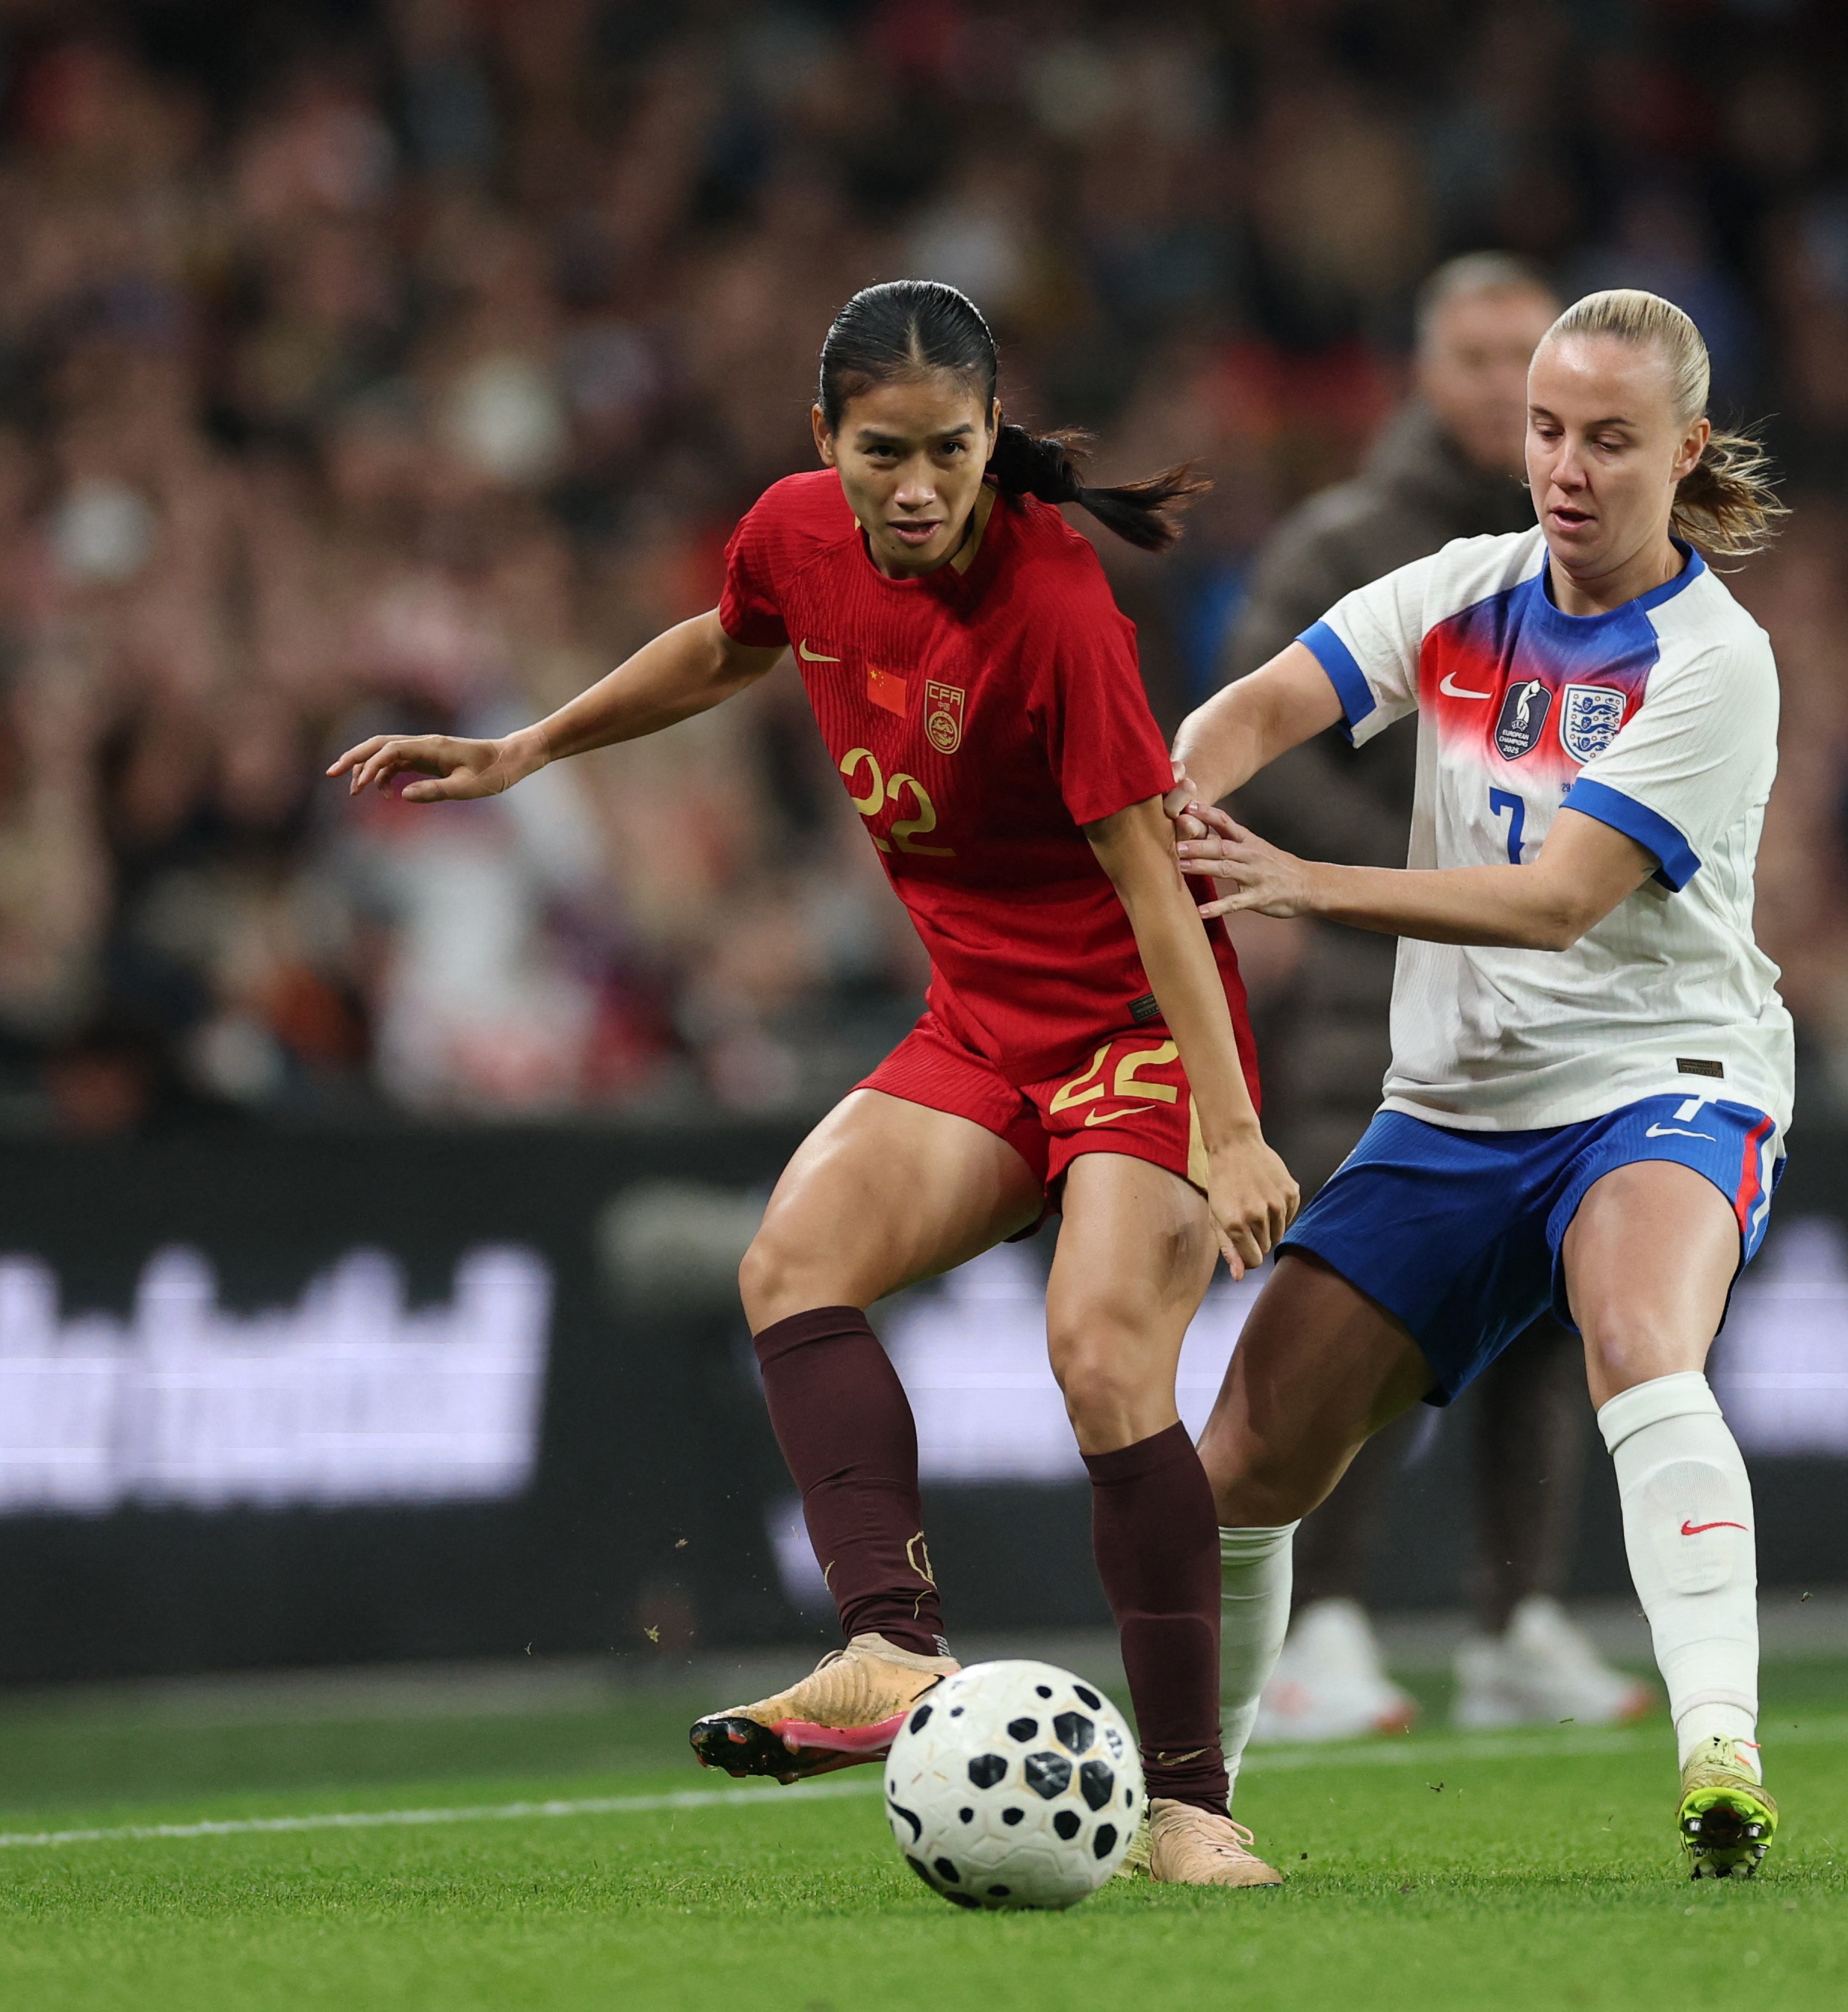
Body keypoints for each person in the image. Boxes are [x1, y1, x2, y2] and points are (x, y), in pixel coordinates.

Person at [329, 279, 1300, 1887]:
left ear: (993, 437)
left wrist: (1233, 1124)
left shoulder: (1055, 605)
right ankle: (892, 1645)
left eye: (948, 451)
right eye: (881, 453)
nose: (915, 488)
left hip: (1135, 1032)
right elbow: (724, 648)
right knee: (790, 1260)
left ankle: (1192, 1806)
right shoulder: (791, 535)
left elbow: (1153, 884)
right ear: (824, 441)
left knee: (1102, 1357)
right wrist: (526, 750)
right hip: (980, 1027)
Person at [1166, 288, 1794, 1878]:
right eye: (1545, 431)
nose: (1566, 470)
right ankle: (1187, 1803)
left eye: (1609, 440)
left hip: (1662, 1076)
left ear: (1685, 450)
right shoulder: (1460, 588)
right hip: (1454, 1102)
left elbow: (1557, 899)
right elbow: (1265, 702)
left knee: (1638, 1338)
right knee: (1245, 1457)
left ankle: (1719, 1745)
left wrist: (1302, 882)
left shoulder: (1715, 662)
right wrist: (1167, 796)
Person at [1219, 252, 1650, 1741]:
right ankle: (1315, 1627)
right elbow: (1257, 745)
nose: (1499, 385)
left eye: (1524, 359)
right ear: (1423, 371)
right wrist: (1411, 876)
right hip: (1377, 1003)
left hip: (1561, 996)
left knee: (1546, 1316)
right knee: (1369, 1313)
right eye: (1473, 356)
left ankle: (1513, 1621)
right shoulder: (1348, 545)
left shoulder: (1603, 558)